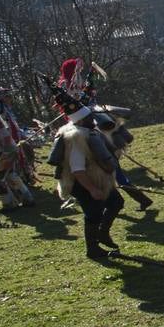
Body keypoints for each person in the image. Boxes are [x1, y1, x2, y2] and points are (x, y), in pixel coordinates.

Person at [47, 81, 124, 261]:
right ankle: (93, 249)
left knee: (115, 202)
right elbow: (77, 170)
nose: (93, 120)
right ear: (81, 120)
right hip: (82, 183)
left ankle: (102, 234)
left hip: (95, 178)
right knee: (93, 213)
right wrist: (92, 189)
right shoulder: (75, 137)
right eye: (89, 118)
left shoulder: (87, 131)